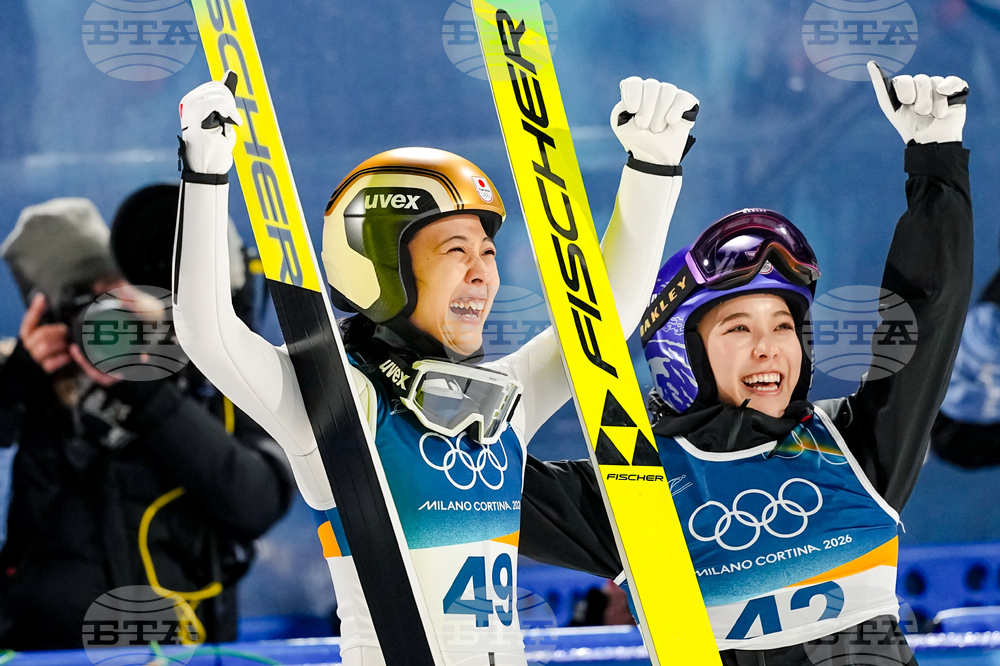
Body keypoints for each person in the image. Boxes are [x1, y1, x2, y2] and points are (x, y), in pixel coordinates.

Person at [173, 74, 699, 665]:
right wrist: (205, 172)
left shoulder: (503, 404)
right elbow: (207, 332)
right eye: (455, 251)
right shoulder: (337, 400)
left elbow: (606, 318)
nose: (482, 274)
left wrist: (652, 170)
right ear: (382, 268)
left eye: (489, 253)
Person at [519, 62, 972, 665]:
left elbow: (927, 314)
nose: (770, 347)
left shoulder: (856, 448)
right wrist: (649, 177)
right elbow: (474, 467)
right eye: (739, 327)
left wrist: (936, 164)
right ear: (681, 351)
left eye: (784, 326)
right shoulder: (635, 491)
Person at [0, 196, 293, 649]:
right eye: (84, 308)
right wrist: (19, 381)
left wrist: (145, 389)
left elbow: (257, 501)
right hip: (43, 651)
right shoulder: (33, 383)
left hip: (185, 649)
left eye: (117, 304)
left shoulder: (207, 377)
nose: (103, 327)